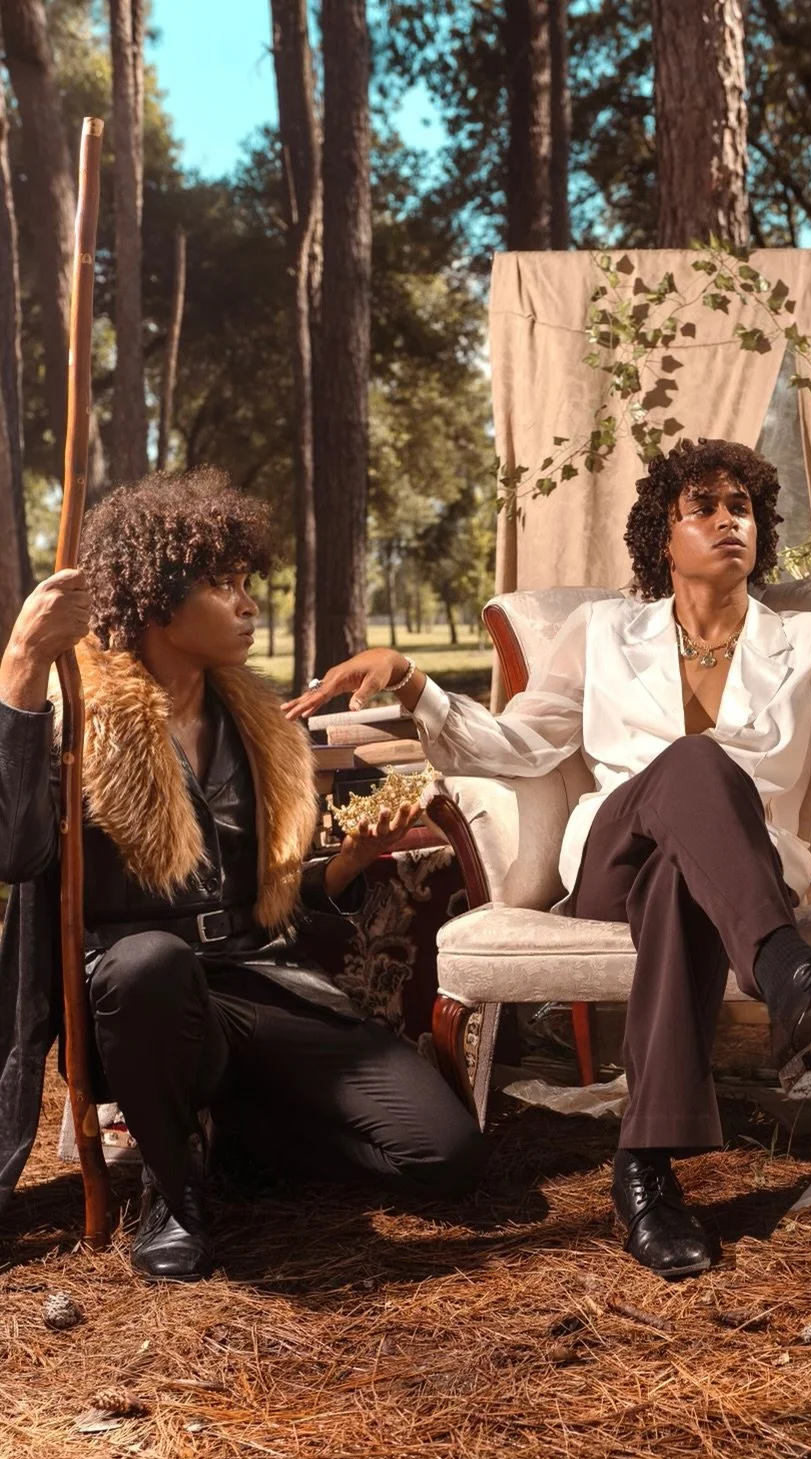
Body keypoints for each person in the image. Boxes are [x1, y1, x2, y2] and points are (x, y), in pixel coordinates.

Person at [288, 437, 811, 1280]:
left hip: (736, 877)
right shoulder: (603, 631)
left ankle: (643, 1172)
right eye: (703, 508)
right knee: (696, 761)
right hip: (612, 863)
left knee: (684, 877)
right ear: (662, 538)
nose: (728, 521)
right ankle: (792, 978)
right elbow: (518, 743)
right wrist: (414, 682)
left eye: (741, 507)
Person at [0, 469, 485, 1282]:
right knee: (149, 963)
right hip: (141, 1006)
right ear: (156, 601)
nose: (248, 603)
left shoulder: (262, 730)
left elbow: (278, 902)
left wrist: (347, 866)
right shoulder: (81, 716)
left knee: (446, 1154)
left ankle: (230, 1135)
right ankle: (174, 1192)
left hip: (258, 981)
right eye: (222, 585)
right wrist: (20, 665)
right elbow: (13, 854)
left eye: (245, 581)